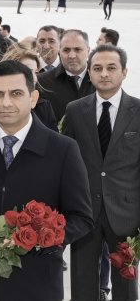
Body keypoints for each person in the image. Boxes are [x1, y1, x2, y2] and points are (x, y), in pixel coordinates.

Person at [0, 60, 93, 301]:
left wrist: (40, 238)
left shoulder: (63, 149)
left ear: (33, 98)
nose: (6, 103)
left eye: (16, 93)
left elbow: (82, 217)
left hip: (38, 281)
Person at [65, 45, 140, 301]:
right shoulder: (75, 110)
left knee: (126, 283)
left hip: (127, 213)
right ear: (89, 73)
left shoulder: (138, 110)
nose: (104, 74)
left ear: (124, 72)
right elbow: (68, 164)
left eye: (111, 68)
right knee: (82, 278)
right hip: (85, 211)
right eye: (97, 68)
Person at [0, 43, 58, 132]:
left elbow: (52, 139)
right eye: (28, 72)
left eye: (36, 72)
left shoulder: (43, 106)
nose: (34, 78)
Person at [37, 29, 95, 121]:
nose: (72, 56)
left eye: (77, 49)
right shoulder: (42, 82)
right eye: (66, 50)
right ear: (59, 52)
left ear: (88, 50)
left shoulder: (101, 80)